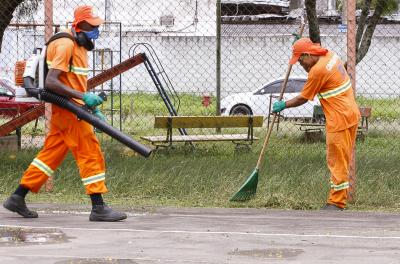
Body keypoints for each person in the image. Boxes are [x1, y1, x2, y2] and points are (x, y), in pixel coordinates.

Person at [3, 5, 127, 221]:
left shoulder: (78, 45)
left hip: (70, 109)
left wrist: (90, 104)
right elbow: (51, 82)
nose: (96, 30)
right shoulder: (65, 45)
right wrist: (82, 99)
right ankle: (98, 207)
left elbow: (72, 82)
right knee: (89, 151)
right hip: (70, 111)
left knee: (50, 154)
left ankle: (18, 196)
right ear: (79, 25)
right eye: (92, 26)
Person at [272, 38, 360, 211]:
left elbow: (303, 98)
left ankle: (336, 203)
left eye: (301, 60)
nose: (300, 64)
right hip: (351, 114)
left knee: (336, 161)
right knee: (343, 159)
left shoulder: (317, 72)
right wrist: (300, 44)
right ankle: (338, 200)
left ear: (308, 54)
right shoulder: (330, 55)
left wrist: (284, 105)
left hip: (339, 120)